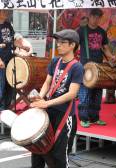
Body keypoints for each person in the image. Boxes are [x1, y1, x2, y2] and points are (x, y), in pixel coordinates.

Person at [29, 29, 84, 168]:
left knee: (59, 156)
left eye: (62, 42)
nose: (58, 45)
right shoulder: (55, 61)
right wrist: (39, 98)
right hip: (48, 111)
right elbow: (47, 83)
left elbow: (72, 94)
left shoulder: (77, 67)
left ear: (72, 45)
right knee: (37, 150)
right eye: (57, 42)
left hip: (64, 116)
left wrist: (46, 103)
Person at [77, 8, 116, 128]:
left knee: (97, 93)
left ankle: (94, 117)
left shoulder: (102, 32)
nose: (96, 19)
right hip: (86, 66)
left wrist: (111, 57)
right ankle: (84, 118)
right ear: (90, 16)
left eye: (98, 17)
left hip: (99, 66)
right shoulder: (81, 31)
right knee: (85, 92)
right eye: (94, 16)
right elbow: (74, 46)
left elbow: (105, 48)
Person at [0, 11, 15, 110]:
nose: (7, 13)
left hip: (10, 58)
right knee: (1, 86)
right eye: (4, 11)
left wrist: (22, 46)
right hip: (1, 61)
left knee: (10, 85)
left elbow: (12, 39)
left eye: (7, 11)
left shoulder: (8, 24)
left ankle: (6, 109)